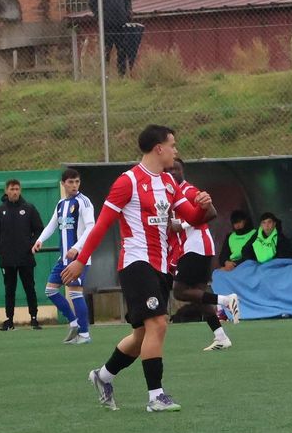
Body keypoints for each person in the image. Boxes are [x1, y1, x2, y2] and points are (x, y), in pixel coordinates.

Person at [61, 124, 212, 413]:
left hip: (163, 265)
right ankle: (156, 396)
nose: (175, 150)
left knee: (144, 334)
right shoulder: (127, 182)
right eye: (173, 145)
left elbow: (192, 216)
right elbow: (103, 224)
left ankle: (103, 376)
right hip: (135, 262)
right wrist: (81, 258)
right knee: (158, 323)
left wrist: (203, 205)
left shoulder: (169, 183)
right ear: (159, 148)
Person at [166, 157, 239, 352]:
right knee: (200, 296)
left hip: (195, 245)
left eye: (177, 169)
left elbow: (211, 213)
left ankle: (225, 300)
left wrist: (181, 225)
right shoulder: (170, 192)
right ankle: (220, 336)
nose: (173, 172)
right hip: (197, 247)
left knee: (180, 291)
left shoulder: (189, 191)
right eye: (169, 169)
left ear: (183, 171)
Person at [34, 168, 97, 344]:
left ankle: (84, 334)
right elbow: (52, 225)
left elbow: (91, 227)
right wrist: (40, 240)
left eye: (77, 182)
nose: (74, 185)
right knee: (50, 290)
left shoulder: (84, 202)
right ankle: (74, 321)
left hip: (79, 258)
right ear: (63, 184)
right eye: (70, 182)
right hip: (63, 258)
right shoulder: (61, 204)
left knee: (75, 293)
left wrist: (77, 248)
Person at [0, 179, 45, 331]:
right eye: (12, 189)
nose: (15, 192)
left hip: (26, 257)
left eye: (17, 189)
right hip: (7, 259)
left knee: (29, 288)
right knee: (9, 289)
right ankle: (9, 320)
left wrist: (32, 244)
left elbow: (39, 229)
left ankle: (34, 318)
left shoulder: (29, 209)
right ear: (6, 191)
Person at [90, 0, 142, 76]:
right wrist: (99, 16)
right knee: (105, 52)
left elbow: (127, 2)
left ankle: (121, 75)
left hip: (121, 25)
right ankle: (105, 76)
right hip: (106, 26)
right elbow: (92, 3)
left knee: (122, 51)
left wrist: (129, 13)